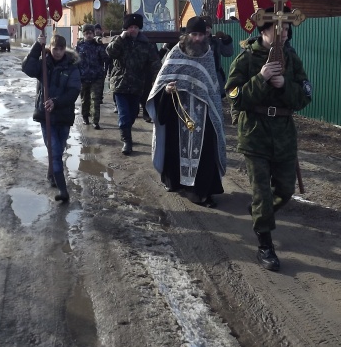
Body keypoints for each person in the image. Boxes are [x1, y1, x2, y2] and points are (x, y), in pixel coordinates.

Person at [224, 8, 312, 271]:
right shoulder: (247, 58)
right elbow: (234, 96)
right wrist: (261, 79)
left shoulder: (292, 58)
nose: (284, 33)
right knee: (261, 193)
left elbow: (305, 96)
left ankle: (260, 212)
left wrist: (285, 84)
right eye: (279, 28)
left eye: (287, 29)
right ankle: (265, 245)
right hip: (255, 134)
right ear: (264, 30)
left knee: (285, 191)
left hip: (284, 134)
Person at [147, 17, 227, 207]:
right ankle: (175, 182)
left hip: (203, 112)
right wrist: (167, 90)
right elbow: (161, 83)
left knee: (205, 151)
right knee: (175, 147)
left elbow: (212, 86)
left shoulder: (208, 53)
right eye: (194, 34)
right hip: (178, 111)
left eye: (201, 34)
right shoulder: (175, 53)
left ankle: (201, 192)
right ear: (187, 35)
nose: (198, 38)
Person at [22, 33, 81, 202]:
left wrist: (56, 102)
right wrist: (36, 46)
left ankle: (52, 172)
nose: (58, 52)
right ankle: (63, 190)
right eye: (55, 48)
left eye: (61, 49)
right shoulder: (44, 64)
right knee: (54, 151)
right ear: (50, 48)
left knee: (59, 149)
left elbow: (73, 91)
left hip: (63, 115)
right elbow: (27, 68)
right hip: (46, 116)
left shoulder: (72, 66)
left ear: (65, 49)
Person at [106, 13, 161, 154]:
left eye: (136, 27)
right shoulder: (119, 41)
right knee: (124, 114)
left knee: (133, 113)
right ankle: (127, 142)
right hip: (120, 84)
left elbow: (155, 63)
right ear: (125, 28)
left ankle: (126, 131)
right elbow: (110, 52)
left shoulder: (146, 44)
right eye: (130, 27)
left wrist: (159, 79)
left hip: (137, 85)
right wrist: (120, 38)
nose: (133, 30)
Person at [76, 23, 108, 129]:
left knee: (95, 99)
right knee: (85, 99)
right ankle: (85, 117)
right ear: (83, 34)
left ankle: (95, 121)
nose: (88, 35)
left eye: (90, 33)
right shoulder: (79, 46)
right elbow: (75, 61)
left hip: (96, 77)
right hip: (84, 77)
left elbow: (106, 59)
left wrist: (103, 45)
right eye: (86, 33)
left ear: (93, 34)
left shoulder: (98, 46)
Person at [199, 15, 234, 98]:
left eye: (208, 27)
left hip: (216, 77)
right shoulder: (196, 42)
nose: (207, 30)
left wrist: (225, 39)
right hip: (201, 76)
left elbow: (228, 53)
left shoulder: (216, 41)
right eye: (204, 27)